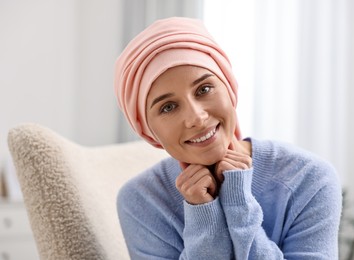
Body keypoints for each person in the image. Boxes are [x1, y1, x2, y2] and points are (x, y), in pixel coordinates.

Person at [114, 17, 342, 260]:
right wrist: (203, 216)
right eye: (168, 107)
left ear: (230, 88)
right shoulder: (140, 200)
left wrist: (239, 203)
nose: (197, 118)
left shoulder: (309, 178)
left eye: (204, 89)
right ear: (147, 130)